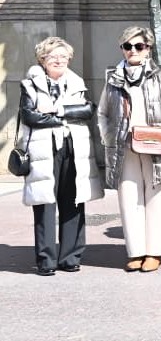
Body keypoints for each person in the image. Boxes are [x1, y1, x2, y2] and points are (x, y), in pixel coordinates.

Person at [97, 25, 161, 272]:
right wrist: (108, 136)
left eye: (139, 46)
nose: (133, 50)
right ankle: (136, 251)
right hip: (124, 146)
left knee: (157, 197)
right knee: (129, 198)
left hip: (156, 144)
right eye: (128, 46)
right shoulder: (113, 77)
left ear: (148, 48)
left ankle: (155, 251)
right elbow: (103, 112)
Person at [18, 37, 104, 275]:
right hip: (43, 150)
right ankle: (46, 260)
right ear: (42, 60)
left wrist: (56, 110)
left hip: (73, 147)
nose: (58, 60)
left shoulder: (76, 81)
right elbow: (30, 116)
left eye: (63, 56)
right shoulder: (30, 84)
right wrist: (66, 116)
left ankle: (70, 257)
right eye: (52, 56)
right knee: (45, 203)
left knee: (73, 201)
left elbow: (88, 109)